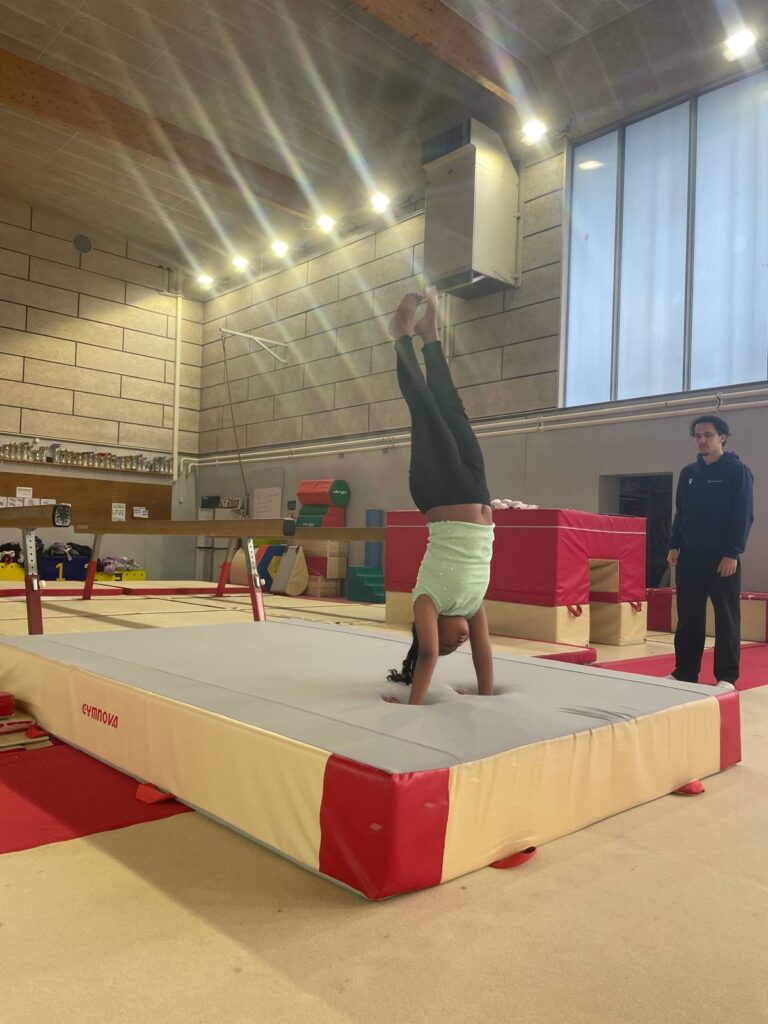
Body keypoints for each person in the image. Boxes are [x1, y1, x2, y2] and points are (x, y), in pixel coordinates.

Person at [385, 290, 495, 705]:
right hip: (477, 490)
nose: (456, 644)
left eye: (447, 643)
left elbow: (428, 654)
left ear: (428, 629)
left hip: (438, 491)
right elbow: (484, 650)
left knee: (426, 408)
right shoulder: (471, 604)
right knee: (452, 407)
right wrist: (486, 695)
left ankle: (400, 335)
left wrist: (413, 704)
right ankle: (430, 336)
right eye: (455, 648)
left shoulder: (427, 601)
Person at [667, 415, 754, 687]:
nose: (702, 440)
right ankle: (684, 673)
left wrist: (732, 553)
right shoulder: (689, 474)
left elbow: (743, 514)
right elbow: (681, 513)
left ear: (722, 437)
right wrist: (674, 544)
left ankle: (726, 676)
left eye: (708, 435)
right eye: (698, 435)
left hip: (722, 559)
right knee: (688, 618)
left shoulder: (737, 471)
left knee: (726, 619)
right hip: (689, 557)